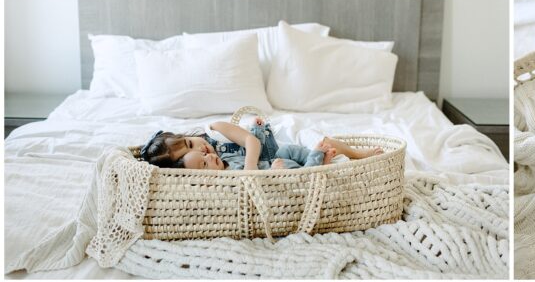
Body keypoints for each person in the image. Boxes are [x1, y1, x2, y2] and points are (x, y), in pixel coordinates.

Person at [140, 117, 383, 170]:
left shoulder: (214, 130)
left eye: (189, 142)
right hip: (273, 162)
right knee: (314, 153)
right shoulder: (209, 166)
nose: (200, 148)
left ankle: (358, 155)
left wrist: (249, 168)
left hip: (277, 141)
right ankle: (321, 163)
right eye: (190, 152)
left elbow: (251, 140)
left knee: (319, 140)